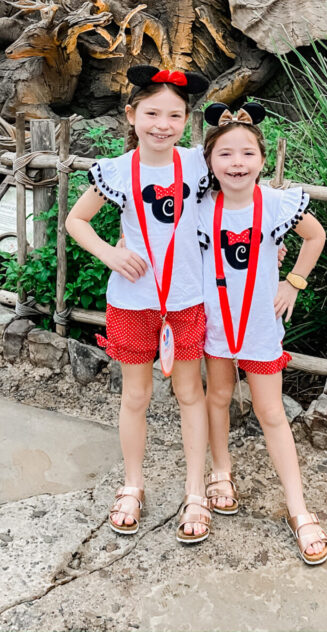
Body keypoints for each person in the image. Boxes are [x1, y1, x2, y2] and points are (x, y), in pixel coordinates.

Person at [65, 66, 213, 544]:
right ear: (131, 115)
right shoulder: (117, 171)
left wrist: (271, 244)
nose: (162, 125)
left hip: (187, 298)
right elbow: (76, 221)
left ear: (187, 120)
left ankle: (195, 491)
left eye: (174, 115)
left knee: (190, 393)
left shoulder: (198, 163)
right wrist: (110, 254)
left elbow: (239, 191)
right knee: (135, 396)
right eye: (152, 113)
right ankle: (132, 485)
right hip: (133, 300)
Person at [198, 102, 327, 565]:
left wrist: (293, 282)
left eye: (247, 154)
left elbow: (315, 236)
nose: (237, 163)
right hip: (214, 323)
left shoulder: (277, 204)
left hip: (258, 324)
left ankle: (298, 507)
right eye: (225, 154)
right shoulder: (200, 207)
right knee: (217, 397)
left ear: (262, 159)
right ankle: (221, 471)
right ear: (209, 160)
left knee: (271, 410)